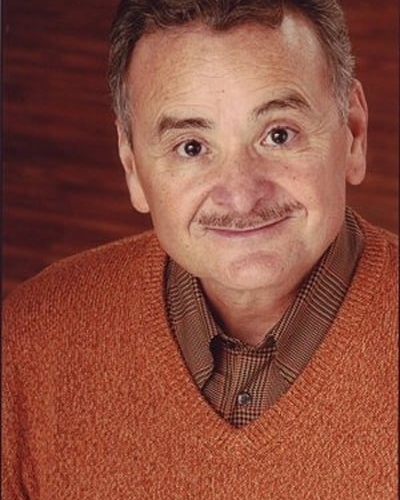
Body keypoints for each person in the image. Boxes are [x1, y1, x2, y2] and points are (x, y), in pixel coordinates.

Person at [3, 0, 397, 498]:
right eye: (191, 147)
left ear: (353, 134)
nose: (241, 194)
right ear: (132, 166)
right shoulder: (32, 339)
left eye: (278, 135)